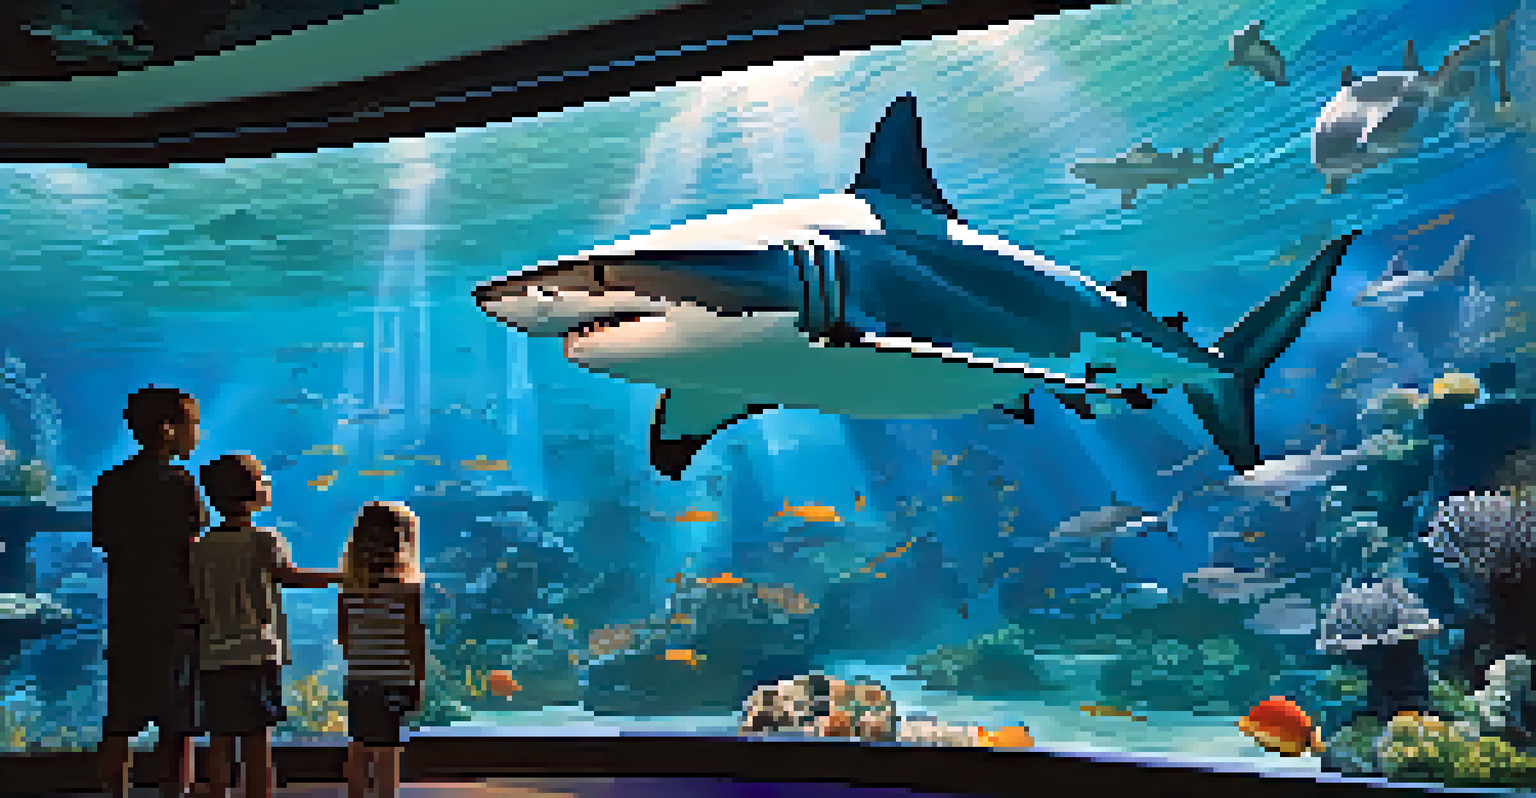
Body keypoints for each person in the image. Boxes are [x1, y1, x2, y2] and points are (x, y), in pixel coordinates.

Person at [190, 453, 342, 798]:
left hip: (212, 654)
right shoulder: (263, 539)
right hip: (255, 653)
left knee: (220, 738)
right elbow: (290, 576)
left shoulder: (200, 546)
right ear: (252, 493)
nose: (268, 484)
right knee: (257, 740)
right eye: (263, 479)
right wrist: (343, 576)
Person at [93, 386, 207, 798]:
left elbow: (107, 543)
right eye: (193, 424)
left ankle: (115, 792)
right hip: (176, 614)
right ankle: (174, 792)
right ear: (166, 430)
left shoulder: (109, 484)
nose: (199, 434)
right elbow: (192, 550)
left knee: (120, 719)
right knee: (178, 723)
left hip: (127, 613)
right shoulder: (182, 485)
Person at [338, 502, 426, 798]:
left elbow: (344, 636)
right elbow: (415, 638)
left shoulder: (349, 586)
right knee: (388, 750)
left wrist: (358, 662)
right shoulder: (408, 589)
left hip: (359, 679)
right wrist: (418, 680)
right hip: (394, 679)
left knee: (359, 746)